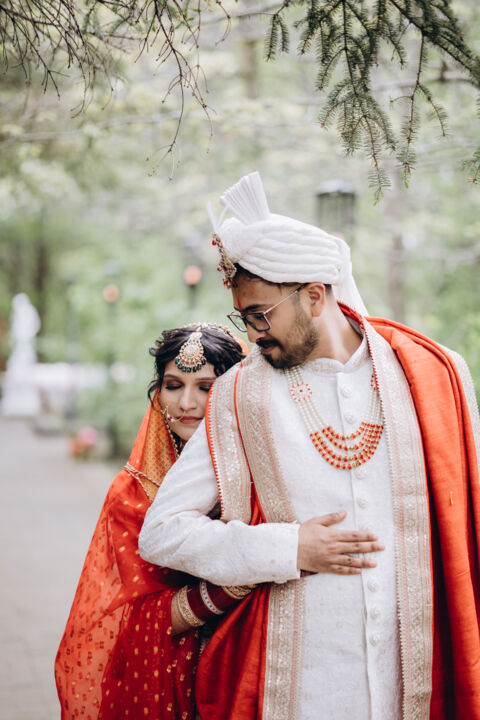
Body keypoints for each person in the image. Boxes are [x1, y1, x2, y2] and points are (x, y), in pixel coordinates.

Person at [139, 172, 480, 720]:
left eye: (260, 315)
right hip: (301, 686)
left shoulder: (431, 375)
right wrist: (287, 548)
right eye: (243, 318)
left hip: (415, 679)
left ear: (315, 296)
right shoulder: (239, 395)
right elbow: (161, 533)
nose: (252, 334)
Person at [55, 323, 247, 720]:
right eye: (173, 386)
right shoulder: (132, 493)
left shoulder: (259, 475)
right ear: (158, 393)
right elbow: (135, 617)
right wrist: (234, 584)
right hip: (167, 678)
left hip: (249, 662)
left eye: (206, 387)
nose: (187, 403)